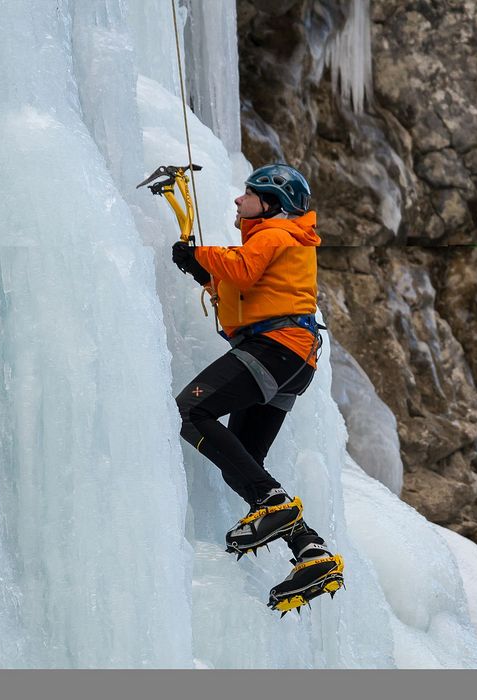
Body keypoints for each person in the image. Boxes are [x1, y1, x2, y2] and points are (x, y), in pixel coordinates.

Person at [171, 163, 344, 614]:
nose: (237, 200)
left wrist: (202, 255)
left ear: (271, 203)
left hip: (276, 350)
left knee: (190, 412)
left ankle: (273, 506)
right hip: (290, 357)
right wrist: (202, 274)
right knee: (243, 464)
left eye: (248, 194)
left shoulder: (273, 234)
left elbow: (243, 271)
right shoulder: (279, 241)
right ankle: (310, 550)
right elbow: (244, 287)